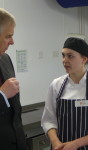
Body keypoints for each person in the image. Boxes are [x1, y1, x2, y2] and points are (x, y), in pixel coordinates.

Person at [41, 37, 88, 150]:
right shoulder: (56, 85)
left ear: (84, 59)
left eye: (70, 56)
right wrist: (56, 143)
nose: (65, 60)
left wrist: (75, 144)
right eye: (63, 55)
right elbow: (48, 120)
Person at [0, 8, 28, 150]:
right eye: (8, 36)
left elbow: (15, 112)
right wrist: (2, 95)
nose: (12, 42)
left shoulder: (5, 59)